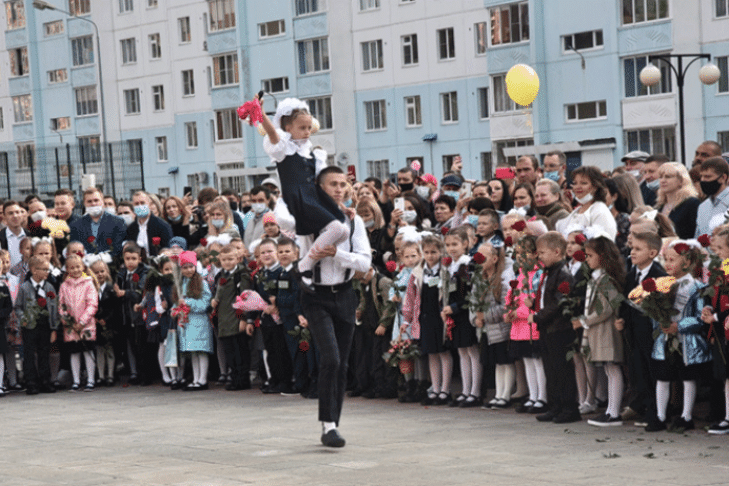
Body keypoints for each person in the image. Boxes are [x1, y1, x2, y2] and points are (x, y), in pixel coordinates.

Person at [298, 166, 371, 448]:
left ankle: (332, 425)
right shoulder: (306, 219)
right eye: (332, 184)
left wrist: (338, 254)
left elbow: (365, 262)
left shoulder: (355, 222)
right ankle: (327, 424)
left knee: (341, 362)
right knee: (330, 357)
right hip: (315, 295)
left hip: (344, 294)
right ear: (320, 187)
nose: (339, 188)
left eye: (343, 184)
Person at [257, 96, 349, 280]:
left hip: (314, 198)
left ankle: (309, 263)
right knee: (336, 230)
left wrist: (341, 205)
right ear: (288, 128)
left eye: (309, 128)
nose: (307, 132)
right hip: (298, 198)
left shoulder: (312, 153)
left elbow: (320, 182)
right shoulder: (283, 150)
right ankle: (306, 263)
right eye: (302, 128)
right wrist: (260, 114)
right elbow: (273, 134)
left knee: (344, 232)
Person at [646, 241, 710, 432]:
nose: (668, 264)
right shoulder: (662, 285)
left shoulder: (696, 287)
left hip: (686, 341)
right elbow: (653, 313)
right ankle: (660, 415)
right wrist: (660, 322)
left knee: (687, 377)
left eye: (672, 259)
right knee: (662, 376)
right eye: (665, 259)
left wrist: (679, 326)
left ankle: (686, 416)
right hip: (665, 339)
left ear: (687, 261)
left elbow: (700, 317)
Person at [573, 236, 625, 427]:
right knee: (609, 370)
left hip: (606, 331)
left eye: (590, 255)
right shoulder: (598, 278)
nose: (587, 259)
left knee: (612, 369)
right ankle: (610, 410)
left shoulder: (605, 279)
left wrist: (583, 321)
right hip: (600, 332)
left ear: (602, 257)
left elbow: (608, 308)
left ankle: (614, 412)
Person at [617, 231, 666, 426]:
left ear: (653, 253)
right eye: (631, 249)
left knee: (653, 371)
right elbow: (626, 301)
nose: (632, 253)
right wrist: (622, 319)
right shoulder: (631, 275)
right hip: (634, 333)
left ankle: (656, 410)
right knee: (639, 370)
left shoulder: (659, 276)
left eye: (638, 249)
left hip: (652, 334)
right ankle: (644, 406)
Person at [441, 227, 481, 408]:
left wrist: (455, 307)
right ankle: (465, 390)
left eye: (455, 244)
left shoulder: (468, 265)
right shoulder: (451, 266)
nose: (451, 248)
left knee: (472, 351)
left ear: (465, 244)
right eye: (448, 245)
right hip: (454, 314)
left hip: (466, 313)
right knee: (462, 352)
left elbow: (471, 293)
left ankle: (475, 391)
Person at [475, 242, 516, 409]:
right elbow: (473, 303)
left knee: (505, 362)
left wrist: (486, 315)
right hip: (488, 330)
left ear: (494, 258)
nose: (479, 260)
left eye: (483, 257)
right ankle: (499, 394)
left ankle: (505, 395)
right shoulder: (480, 280)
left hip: (500, 329)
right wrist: (476, 318)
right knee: (497, 363)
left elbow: (506, 306)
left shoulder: (501, 280)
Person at [211, 245, 255, 391]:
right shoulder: (221, 276)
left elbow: (245, 297)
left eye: (230, 259)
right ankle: (234, 377)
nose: (227, 262)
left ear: (237, 258)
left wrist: (244, 318)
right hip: (224, 319)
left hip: (236, 318)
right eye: (224, 260)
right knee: (229, 351)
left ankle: (242, 379)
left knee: (240, 350)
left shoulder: (241, 275)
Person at [15, 256, 60, 395]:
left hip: (44, 326)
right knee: (29, 354)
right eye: (45, 269)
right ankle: (31, 382)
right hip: (29, 327)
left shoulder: (49, 287)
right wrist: (24, 319)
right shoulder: (24, 288)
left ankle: (45, 381)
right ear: (34, 270)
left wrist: (53, 328)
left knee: (44, 353)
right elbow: (18, 307)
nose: (48, 272)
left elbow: (54, 307)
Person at [174, 250, 214, 391]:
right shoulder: (181, 284)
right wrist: (176, 308)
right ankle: (196, 379)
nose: (189, 270)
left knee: (201, 351)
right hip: (187, 323)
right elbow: (177, 302)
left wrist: (189, 302)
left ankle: (202, 379)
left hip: (199, 321)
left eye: (191, 266)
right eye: (185, 267)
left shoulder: (201, 283)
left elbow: (205, 303)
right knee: (193, 352)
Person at [59, 254, 98, 392]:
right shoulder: (64, 285)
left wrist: (82, 321)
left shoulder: (88, 283)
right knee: (74, 353)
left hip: (86, 325)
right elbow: (62, 305)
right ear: (67, 269)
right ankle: (76, 381)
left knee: (88, 351)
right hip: (71, 327)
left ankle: (91, 380)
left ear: (83, 267)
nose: (75, 270)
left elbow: (92, 304)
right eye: (71, 268)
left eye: (77, 267)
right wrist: (67, 321)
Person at [114, 243, 148, 384]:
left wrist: (124, 293)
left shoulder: (144, 272)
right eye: (127, 258)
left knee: (141, 347)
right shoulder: (121, 273)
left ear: (140, 259)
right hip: (126, 315)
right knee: (130, 346)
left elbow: (140, 292)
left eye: (134, 258)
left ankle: (144, 375)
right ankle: (134, 373)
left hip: (139, 316)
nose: (130, 262)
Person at [555, 166, 617, 240]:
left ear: (595, 186)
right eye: (575, 183)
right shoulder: (576, 211)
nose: (578, 187)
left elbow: (604, 244)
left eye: (583, 183)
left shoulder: (600, 211)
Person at [70, 188, 127, 257]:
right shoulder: (76, 225)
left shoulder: (118, 222)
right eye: (89, 201)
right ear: (84, 203)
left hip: (111, 264)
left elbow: (119, 247)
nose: (93, 204)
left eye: (96, 200)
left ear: (102, 202)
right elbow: (74, 249)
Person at [89, 258, 119, 387]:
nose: (100, 274)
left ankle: (111, 375)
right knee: (99, 350)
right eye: (96, 272)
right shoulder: (91, 288)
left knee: (110, 349)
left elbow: (115, 307)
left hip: (109, 323)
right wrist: (95, 318)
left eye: (102, 271)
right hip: (96, 324)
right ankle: (101, 375)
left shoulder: (111, 288)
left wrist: (106, 319)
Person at [655, 162, 700, 240]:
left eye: (668, 177)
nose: (663, 180)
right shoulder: (660, 206)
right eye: (661, 177)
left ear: (681, 180)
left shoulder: (692, 204)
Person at [126, 191, 173, 257]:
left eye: (142, 203)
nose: (140, 206)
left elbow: (167, 249)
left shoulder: (162, 226)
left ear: (149, 204)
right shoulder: (131, 229)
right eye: (136, 204)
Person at [696, 156, 729, 237]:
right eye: (702, 176)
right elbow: (698, 237)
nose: (703, 180)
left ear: (723, 178)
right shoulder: (703, 206)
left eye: (708, 177)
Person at [0, 201, 27, 267]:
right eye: (10, 213)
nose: (15, 216)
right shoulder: (1, 237)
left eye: (17, 212)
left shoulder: (30, 235)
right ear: (4, 216)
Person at [0, 263, 13, 396]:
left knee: (0, 355)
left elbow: (8, 306)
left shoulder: (3, 287)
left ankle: (0, 384)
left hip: (0, 326)